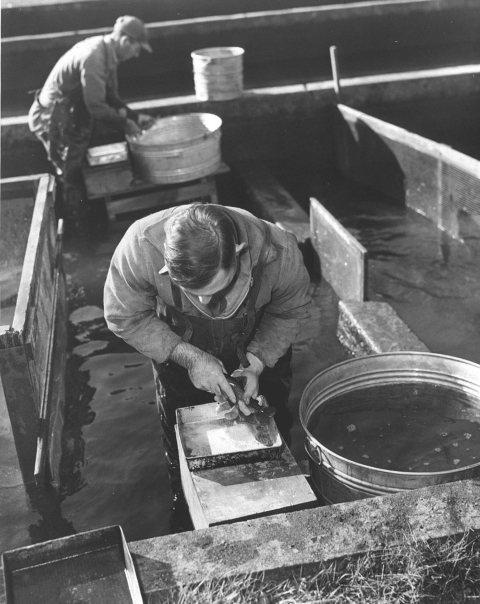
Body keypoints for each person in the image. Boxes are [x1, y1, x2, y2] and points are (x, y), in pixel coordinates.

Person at [103, 203, 312, 530]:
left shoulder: (280, 252)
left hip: (259, 346)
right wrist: (189, 357)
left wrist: (256, 363)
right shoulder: (140, 247)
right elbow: (124, 317)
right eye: (194, 295)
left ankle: (275, 519)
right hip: (181, 354)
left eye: (220, 290)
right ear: (166, 271)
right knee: (186, 457)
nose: (208, 306)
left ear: (240, 254)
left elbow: (290, 312)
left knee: (271, 441)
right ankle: (189, 518)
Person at [28, 15, 154, 237]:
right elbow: (96, 106)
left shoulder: (108, 53)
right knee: (71, 175)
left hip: (72, 114)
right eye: (137, 49)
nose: (136, 55)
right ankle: (80, 237)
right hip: (52, 119)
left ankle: (88, 225)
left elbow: (109, 94)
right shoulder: (94, 56)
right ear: (126, 42)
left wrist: (133, 115)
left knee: (81, 169)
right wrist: (126, 124)